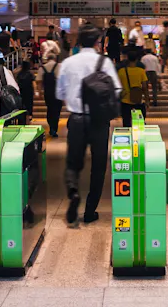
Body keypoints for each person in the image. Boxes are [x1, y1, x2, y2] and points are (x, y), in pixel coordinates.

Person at [57, 23, 122, 225]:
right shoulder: (105, 63)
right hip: (99, 120)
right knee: (99, 166)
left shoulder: (68, 62)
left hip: (76, 119)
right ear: (98, 42)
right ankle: (90, 210)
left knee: (73, 163)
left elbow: (60, 94)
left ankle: (74, 193)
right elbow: (117, 90)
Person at [118, 47, 149, 127]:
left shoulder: (121, 71)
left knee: (126, 123)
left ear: (127, 59)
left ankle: (127, 138)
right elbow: (145, 87)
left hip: (125, 100)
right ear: (137, 59)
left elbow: (118, 86)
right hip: (138, 100)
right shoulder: (141, 71)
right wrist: (147, 100)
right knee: (140, 123)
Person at [38, 48, 62, 137]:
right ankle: (54, 128)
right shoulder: (59, 66)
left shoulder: (42, 68)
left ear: (47, 59)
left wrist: (39, 92)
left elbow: (39, 82)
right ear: (55, 58)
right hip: (58, 92)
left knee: (50, 109)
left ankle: (51, 125)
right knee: (57, 110)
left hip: (47, 92)